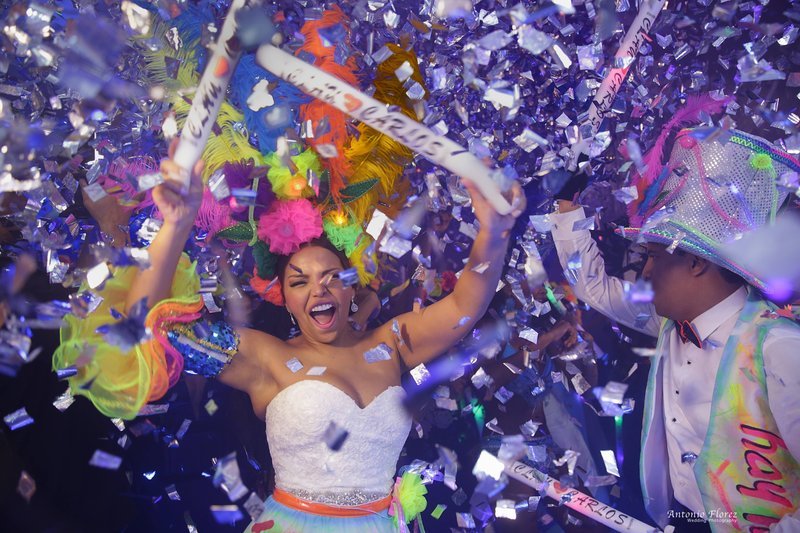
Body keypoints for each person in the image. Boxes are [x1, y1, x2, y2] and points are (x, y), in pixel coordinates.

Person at [54, 138, 526, 532]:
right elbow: (149, 327)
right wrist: (176, 225)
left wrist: (495, 231)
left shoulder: (391, 343)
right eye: (300, 281)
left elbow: (464, 307)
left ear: (350, 287)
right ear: (285, 299)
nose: (318, 288)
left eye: (331, 277)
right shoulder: (266, 358)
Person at [550, 122, 800, 531]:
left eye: (653, 256)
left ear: (696, 262)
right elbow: (593, 286)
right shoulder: (668, 323)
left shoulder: (779, 349)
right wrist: (566, 205)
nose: (645, 270)